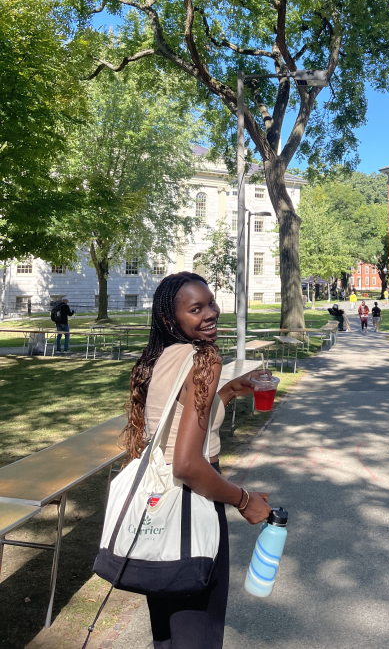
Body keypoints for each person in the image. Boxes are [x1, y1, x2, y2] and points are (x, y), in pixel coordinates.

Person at [122, 272, 272, 649]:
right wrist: (243, 500)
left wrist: (231, 391)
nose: (211, 314)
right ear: (171, 319)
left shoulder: (164, 355)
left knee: (169, 632)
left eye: (211, 303)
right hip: (192, 503)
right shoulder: (204, 360)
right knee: (197, 636)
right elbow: (188, 463)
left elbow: (178, 421)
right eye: (196, 309)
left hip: (160, 506)